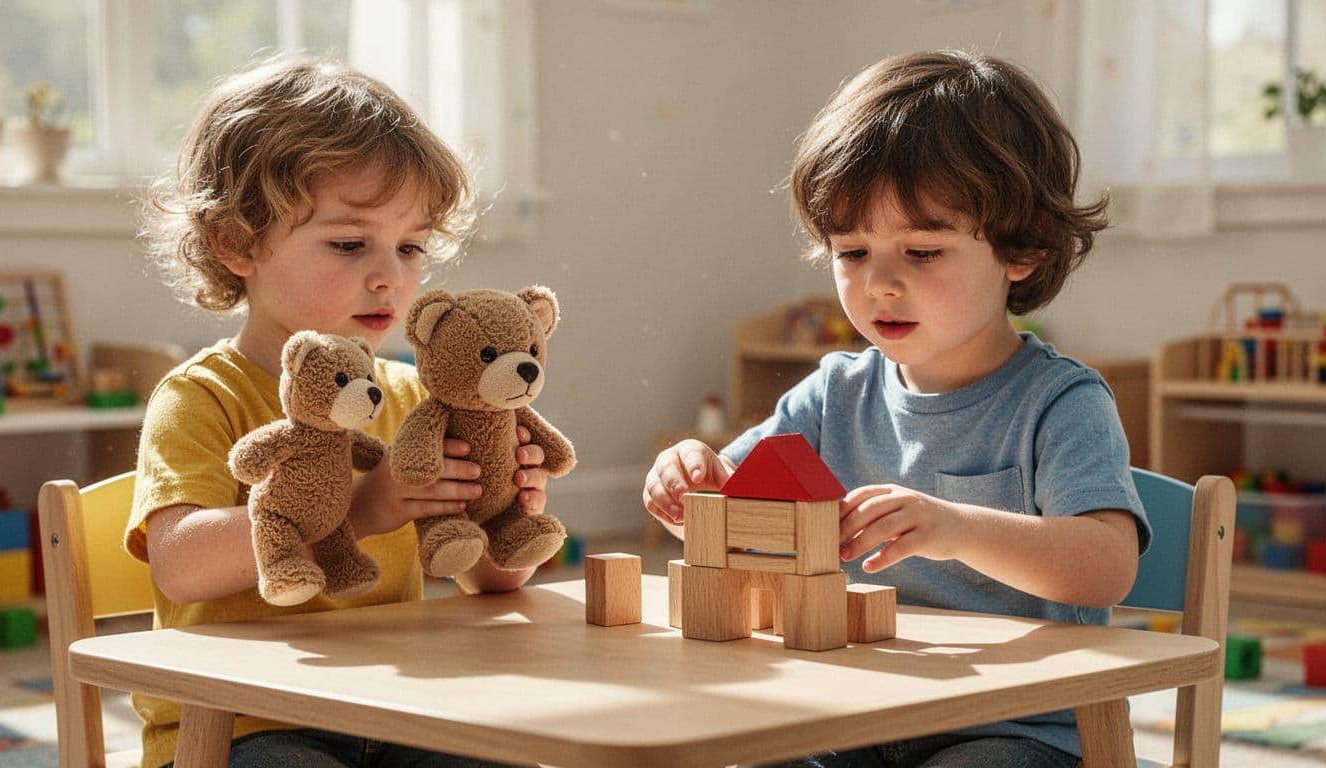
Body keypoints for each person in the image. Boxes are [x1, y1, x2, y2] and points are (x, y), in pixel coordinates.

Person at [643, 49, 1150, 768]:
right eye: (852, 252)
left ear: (1024, 248)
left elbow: (1105, 566)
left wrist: (956, 528)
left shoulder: (1062, 402)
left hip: (1017, 726)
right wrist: (689, 475)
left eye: (922, 250)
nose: (880, 284)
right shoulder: (833, 393)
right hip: (854, 712)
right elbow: (730, 487)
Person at [129, 57, 547, 768]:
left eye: (410, 245)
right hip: (244, 725)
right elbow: (180, 568)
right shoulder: (202, 395)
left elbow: (486, 582)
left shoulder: (416, 397)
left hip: (400, 709)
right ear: (235, 242)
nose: (392, 274)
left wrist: (507, 510)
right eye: (350, 244)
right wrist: (358, 506)